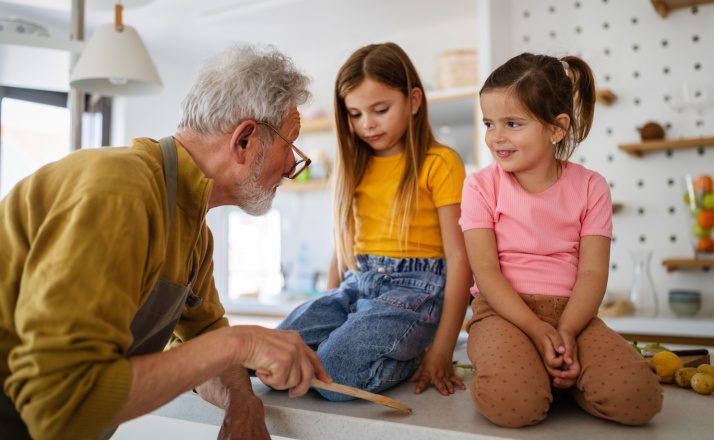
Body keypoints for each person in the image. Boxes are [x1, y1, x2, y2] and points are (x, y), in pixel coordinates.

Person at [0, 44, 330, 439]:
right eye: (290, 145)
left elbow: (205, 336)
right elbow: (63, 404)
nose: (293, 166)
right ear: (245, 140)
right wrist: (240, 342)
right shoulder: (121, 192)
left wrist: (240, 401)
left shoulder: (193, 231)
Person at [460, 52, 662, 428]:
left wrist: (566, 331)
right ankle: (544, 375)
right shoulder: (480, 186)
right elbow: (485, 271)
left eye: (512, 123)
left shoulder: (591, 186)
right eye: (489, 123)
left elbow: (592, 273)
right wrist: (537, 330)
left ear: (556, 128)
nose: (495, 137)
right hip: (504, 312)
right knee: (513, 406)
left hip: (575, 314)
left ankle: (557, 375)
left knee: (639, 401)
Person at [277, 42, 472, 400]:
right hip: (356, 283)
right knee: (273, 356)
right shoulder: (356, 165)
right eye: (354, 114)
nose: (367, 124)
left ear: (414, 101)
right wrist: (328, 305)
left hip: (417, 291)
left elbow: (460, 260)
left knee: (331, 377)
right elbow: (343, 246)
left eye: (380, 110)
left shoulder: (440, 163)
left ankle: (413, 355)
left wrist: (443, 351)